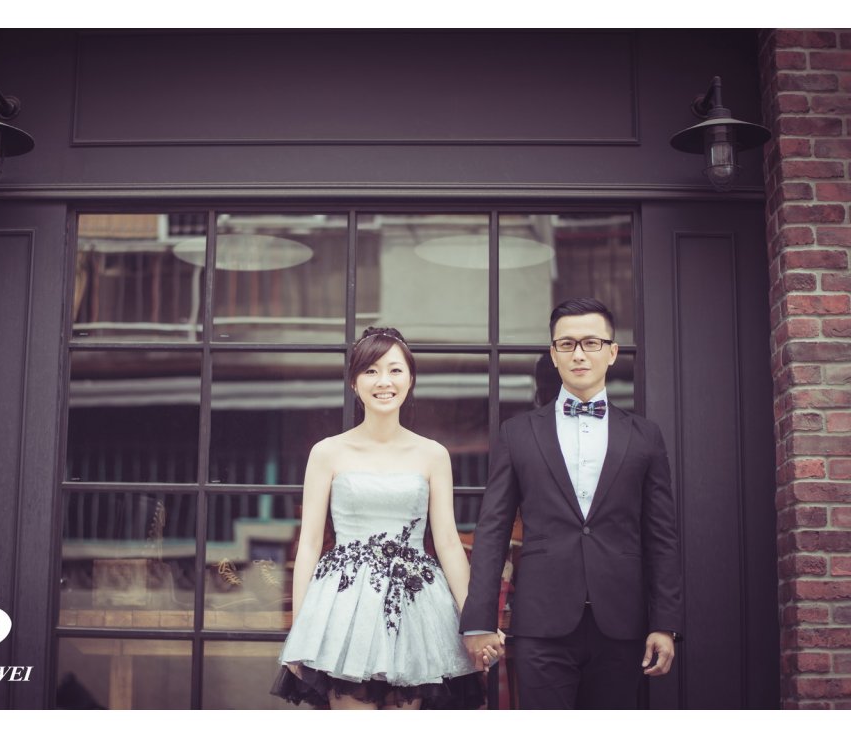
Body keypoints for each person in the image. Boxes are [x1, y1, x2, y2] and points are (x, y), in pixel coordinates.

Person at [460, 297, 683, 709]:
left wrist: (665, 623)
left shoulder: (645, 436)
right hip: (541, 622)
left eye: (591, 343)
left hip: (623, 623)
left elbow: (661, 537)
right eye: (567, 344)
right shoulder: (518, 434)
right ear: (554, 353)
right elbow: (492, 531)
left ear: (612, 352)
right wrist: (478, 621)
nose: (579, 354)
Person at [271, 326, 497, 709]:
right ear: (354, 382)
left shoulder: (433, 454)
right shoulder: (327, 453)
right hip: (343, 606)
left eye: (394, 370)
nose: (384, 382)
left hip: (417, 607)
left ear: (410, 379)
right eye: (371, 371)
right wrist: (301, 631)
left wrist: (474, 621)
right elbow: (308, 543)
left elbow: (447, 542)